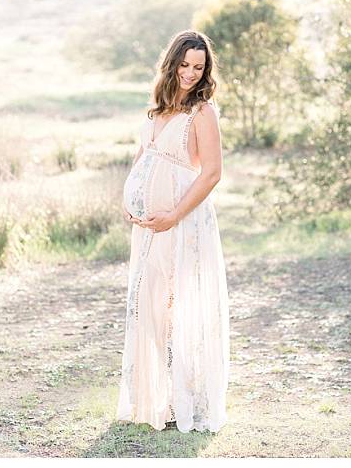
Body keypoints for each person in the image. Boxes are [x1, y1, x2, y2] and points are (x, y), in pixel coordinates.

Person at [118, 30, 230, 432]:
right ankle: (154, 398)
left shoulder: (203, 113)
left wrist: (175, 215)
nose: (190, 74)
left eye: (198, 67)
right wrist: (130, 199)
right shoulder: (157, 108)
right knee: (147, 304)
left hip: (181, 222)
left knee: (174, 306)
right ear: (173, 63)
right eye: (185, 65)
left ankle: (181, 401)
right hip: (150, 226)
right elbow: (143, 156)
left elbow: (212, 173)